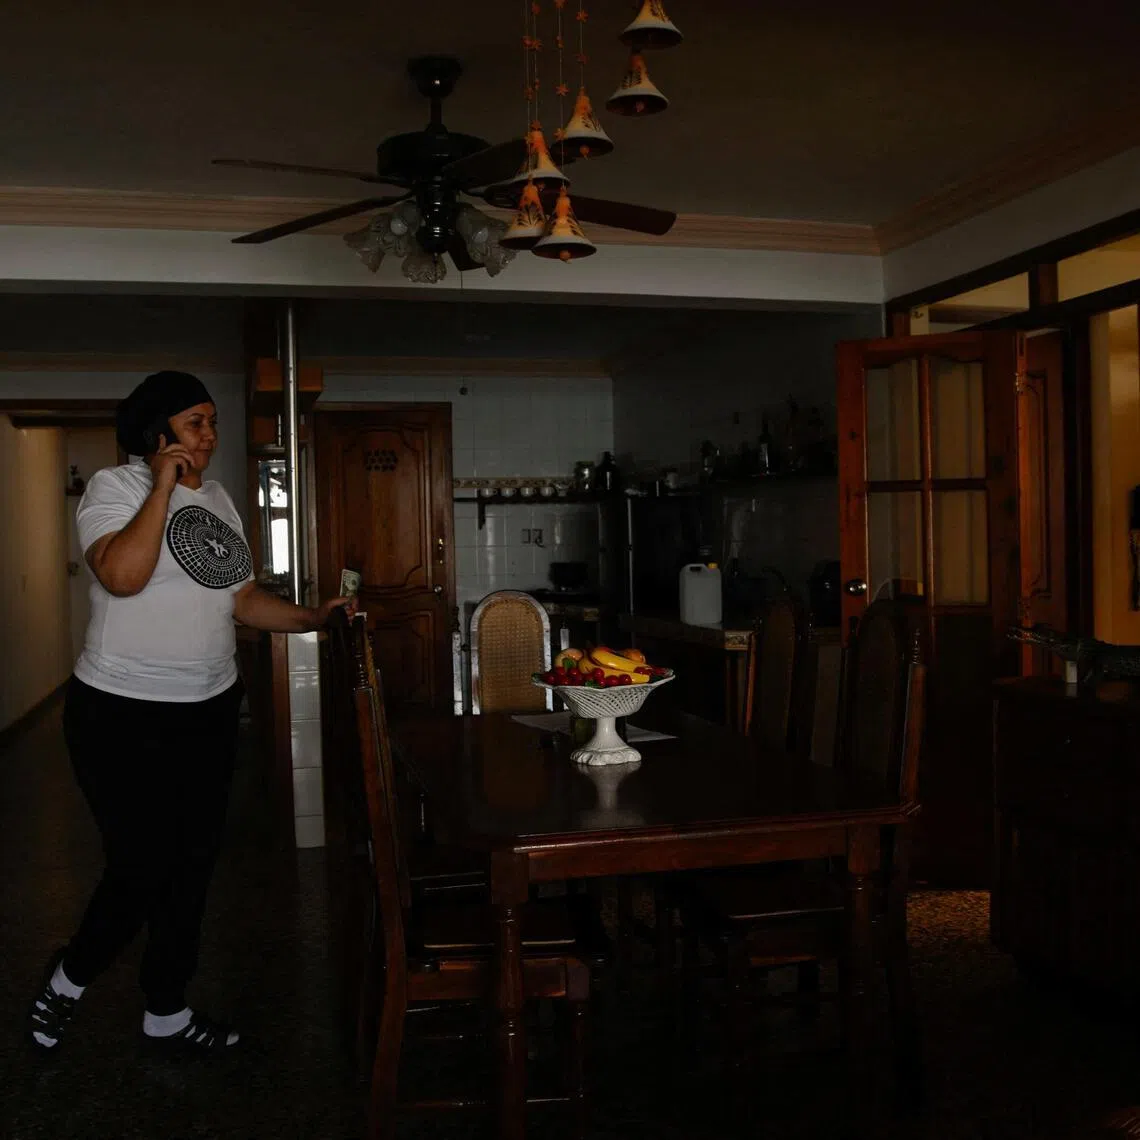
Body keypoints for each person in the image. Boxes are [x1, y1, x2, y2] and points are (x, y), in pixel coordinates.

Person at [28, 370, 355, 1054]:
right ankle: (68, 979)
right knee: (142, 865)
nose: (210, 434)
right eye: (195, 423)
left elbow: (242, 602)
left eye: (211, 421)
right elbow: (123, 575)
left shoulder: (224, 502)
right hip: (119, 713)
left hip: (206, 712)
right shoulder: (113, 490)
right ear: (158, 432)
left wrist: (313, 619)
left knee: (192, 867)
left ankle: (167, 1012)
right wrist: (162, 488)